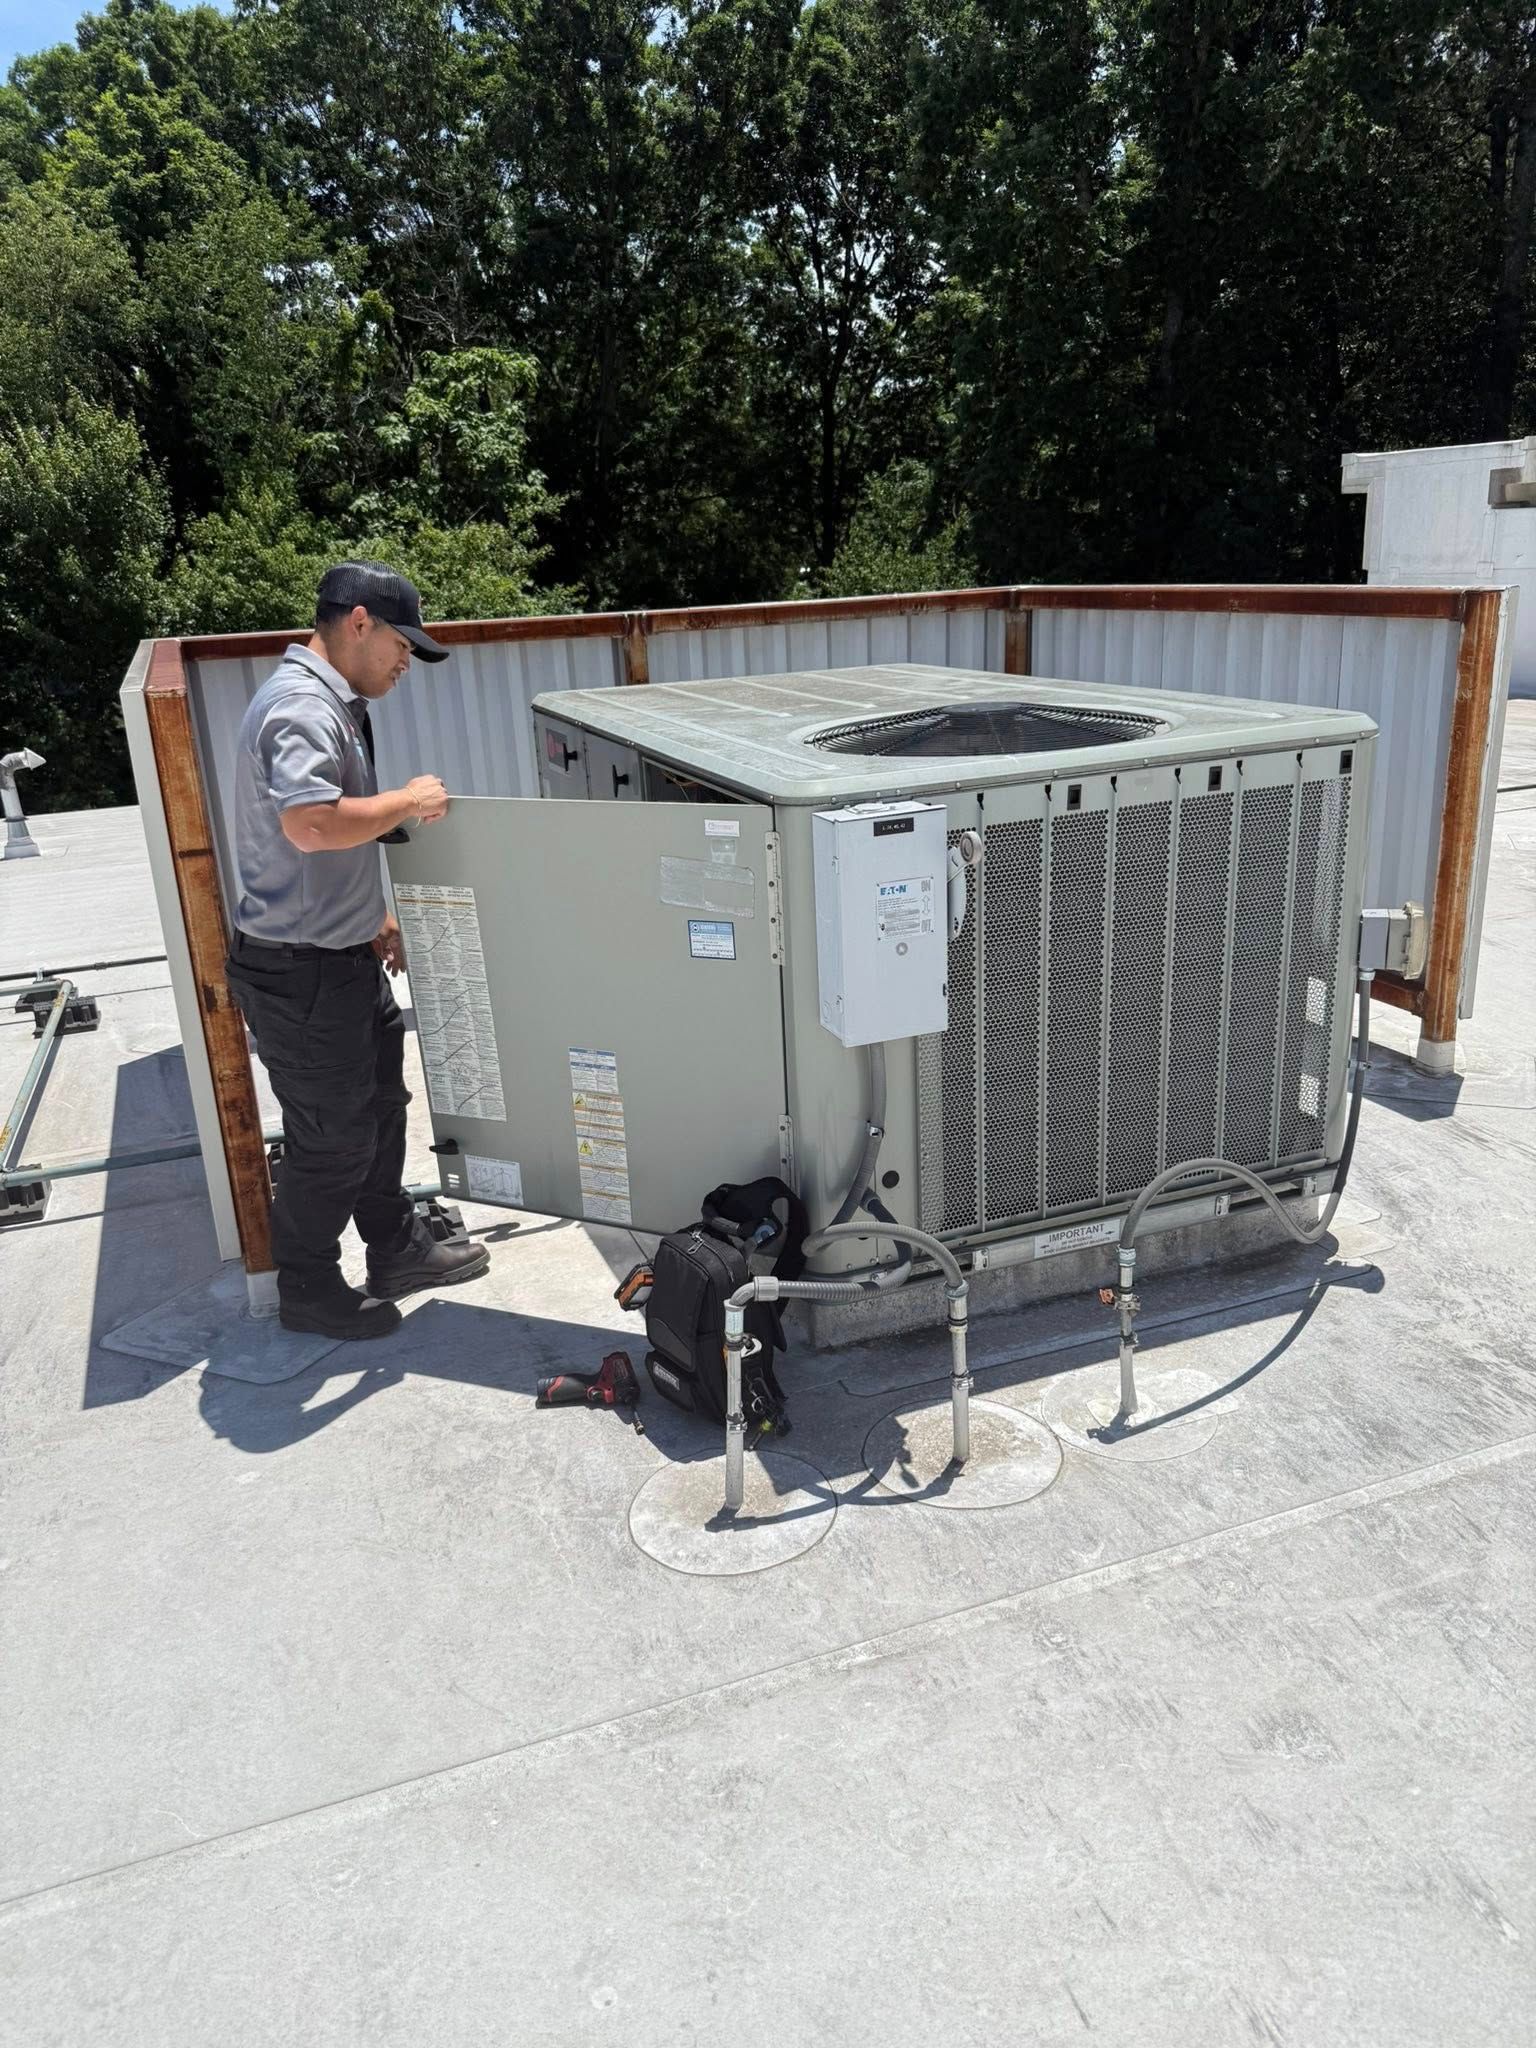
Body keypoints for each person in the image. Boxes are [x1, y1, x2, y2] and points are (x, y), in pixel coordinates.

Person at [225, 562, 490, 1340]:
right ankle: (306, 1284)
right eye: (404, 644)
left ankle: (393, 1245)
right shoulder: (302, 707)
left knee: (378, 1108)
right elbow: (309, 824)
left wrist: (372, 917)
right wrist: (408, 801)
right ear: (361, 622)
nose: (408, 661)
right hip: (300, 972)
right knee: (331, 1138)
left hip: (337, 956)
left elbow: (320, 852)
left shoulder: (328, 701)